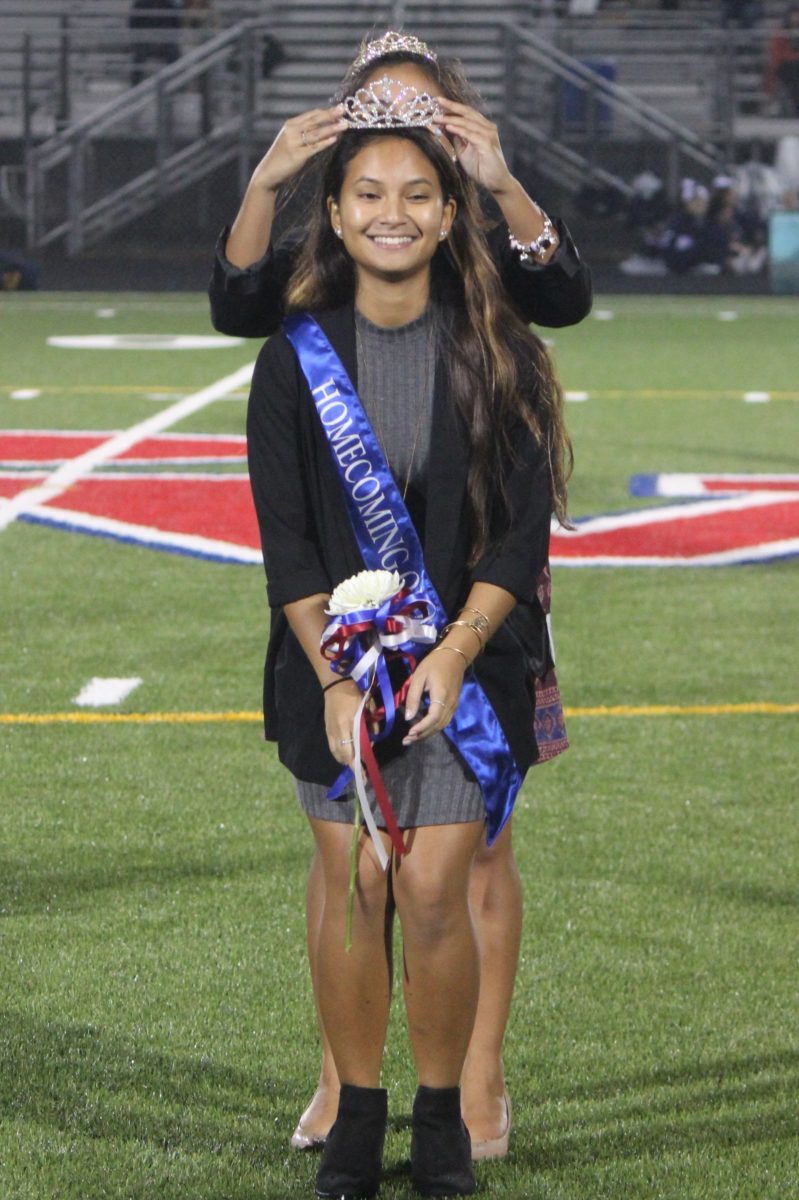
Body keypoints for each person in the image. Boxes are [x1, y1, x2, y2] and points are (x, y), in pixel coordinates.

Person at [210, 30, 591, 1162]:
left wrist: (501, 176)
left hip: (476, 592)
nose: (395, 182)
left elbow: (562, 293)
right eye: (374, 120)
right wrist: (273, 172)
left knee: (471, 852)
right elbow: (237, 303)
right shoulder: (328, 271)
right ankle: (346, 1079)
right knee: (350, 860)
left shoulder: (470, 235)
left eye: (421, 120)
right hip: (345, 612)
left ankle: (474, 1079)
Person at [765, 5, 799, 116]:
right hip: (784, 68)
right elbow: (777, 54)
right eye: (794, 15)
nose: (796, 18)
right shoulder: (781, 32)